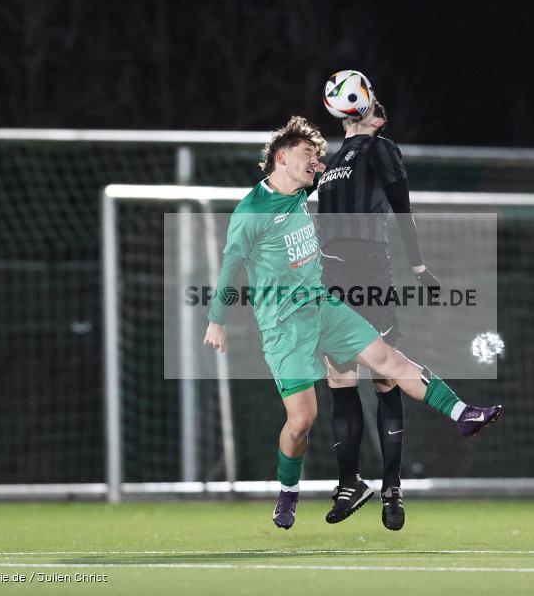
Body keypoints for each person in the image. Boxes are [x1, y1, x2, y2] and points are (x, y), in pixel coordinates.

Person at [203, 116, 502, 531]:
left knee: (389, 361)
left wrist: (353, 147)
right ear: (281, 157)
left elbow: (339, 177)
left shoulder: (300, 190)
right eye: (308, 155)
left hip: (325, 308)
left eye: (317, 158)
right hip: (283, 326)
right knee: (302, 419)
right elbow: (231, 265)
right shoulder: (252, 210)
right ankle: (288, 491)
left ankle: (463, 413)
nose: (315, 163)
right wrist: (215, 320)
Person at [316, 91, 436, 531]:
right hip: (332, 275)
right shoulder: (329, 165)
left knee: (384, 376)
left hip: (368, 268)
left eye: (375, 104)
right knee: (338, 375)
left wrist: (418, 264)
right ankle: (350, 482)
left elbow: (401, 207)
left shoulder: (381, 148)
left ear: (376, 119)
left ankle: (392, 487)